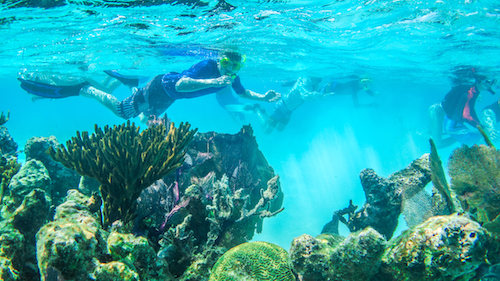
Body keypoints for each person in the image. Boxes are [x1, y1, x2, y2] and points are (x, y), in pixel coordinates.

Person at [18, 51, 281, 122]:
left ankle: (117, 80)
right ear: (220, 59)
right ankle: (85, 87)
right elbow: (182, 83)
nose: (230, 70)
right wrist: (214, 80)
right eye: (226, 63)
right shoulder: (207, 66)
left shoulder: (231, 76)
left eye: (235, 67)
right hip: (163, 87)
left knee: (149, 117)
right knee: (124, 112)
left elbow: (242, 93)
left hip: (167, 96)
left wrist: (264, 98)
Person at [257, 75, 374, 133]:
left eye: (319, 80)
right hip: (282, 106)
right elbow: (305, 94)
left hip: (289, 110)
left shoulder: (313, 84)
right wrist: (320, 96)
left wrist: (320, 94)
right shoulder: (303, 81)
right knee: (267, 130)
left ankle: (263, 114)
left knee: (280, 129)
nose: (319, 81)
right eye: (318, 79)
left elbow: (310, 94)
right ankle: (259, 112)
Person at [429, 68, 496, 148]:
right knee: (438, 144)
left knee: (452, 134)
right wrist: (480, 127)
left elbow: (469, 109)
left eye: (491, 82)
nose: (489, 85)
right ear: (479, 81)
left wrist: (479, 126)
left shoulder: (473, 90)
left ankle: (434, 133)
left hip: (445, 114)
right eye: (487, 82)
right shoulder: (470, 92)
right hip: (437, 111)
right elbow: (466, 115)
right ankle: (429, 133)